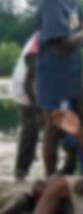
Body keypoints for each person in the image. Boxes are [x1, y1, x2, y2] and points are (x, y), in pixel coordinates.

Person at [36, 0, 83, 176]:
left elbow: (77, 31)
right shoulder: (52, 4)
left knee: (76, 122)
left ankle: (69, 167)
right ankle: (50, 178)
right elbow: (61, 45)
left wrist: (82, 32)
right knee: (53, 127)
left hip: (71, 76)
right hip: (54, 79)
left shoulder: (72, 5)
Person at [10, 32, 43, 180]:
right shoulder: (40, 41)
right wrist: (37, 107)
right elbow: (28, 82)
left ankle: (29, 156)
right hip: (25, 88)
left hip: (34, 86)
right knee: (30, 128)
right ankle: (21, 169)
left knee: (36, 127)